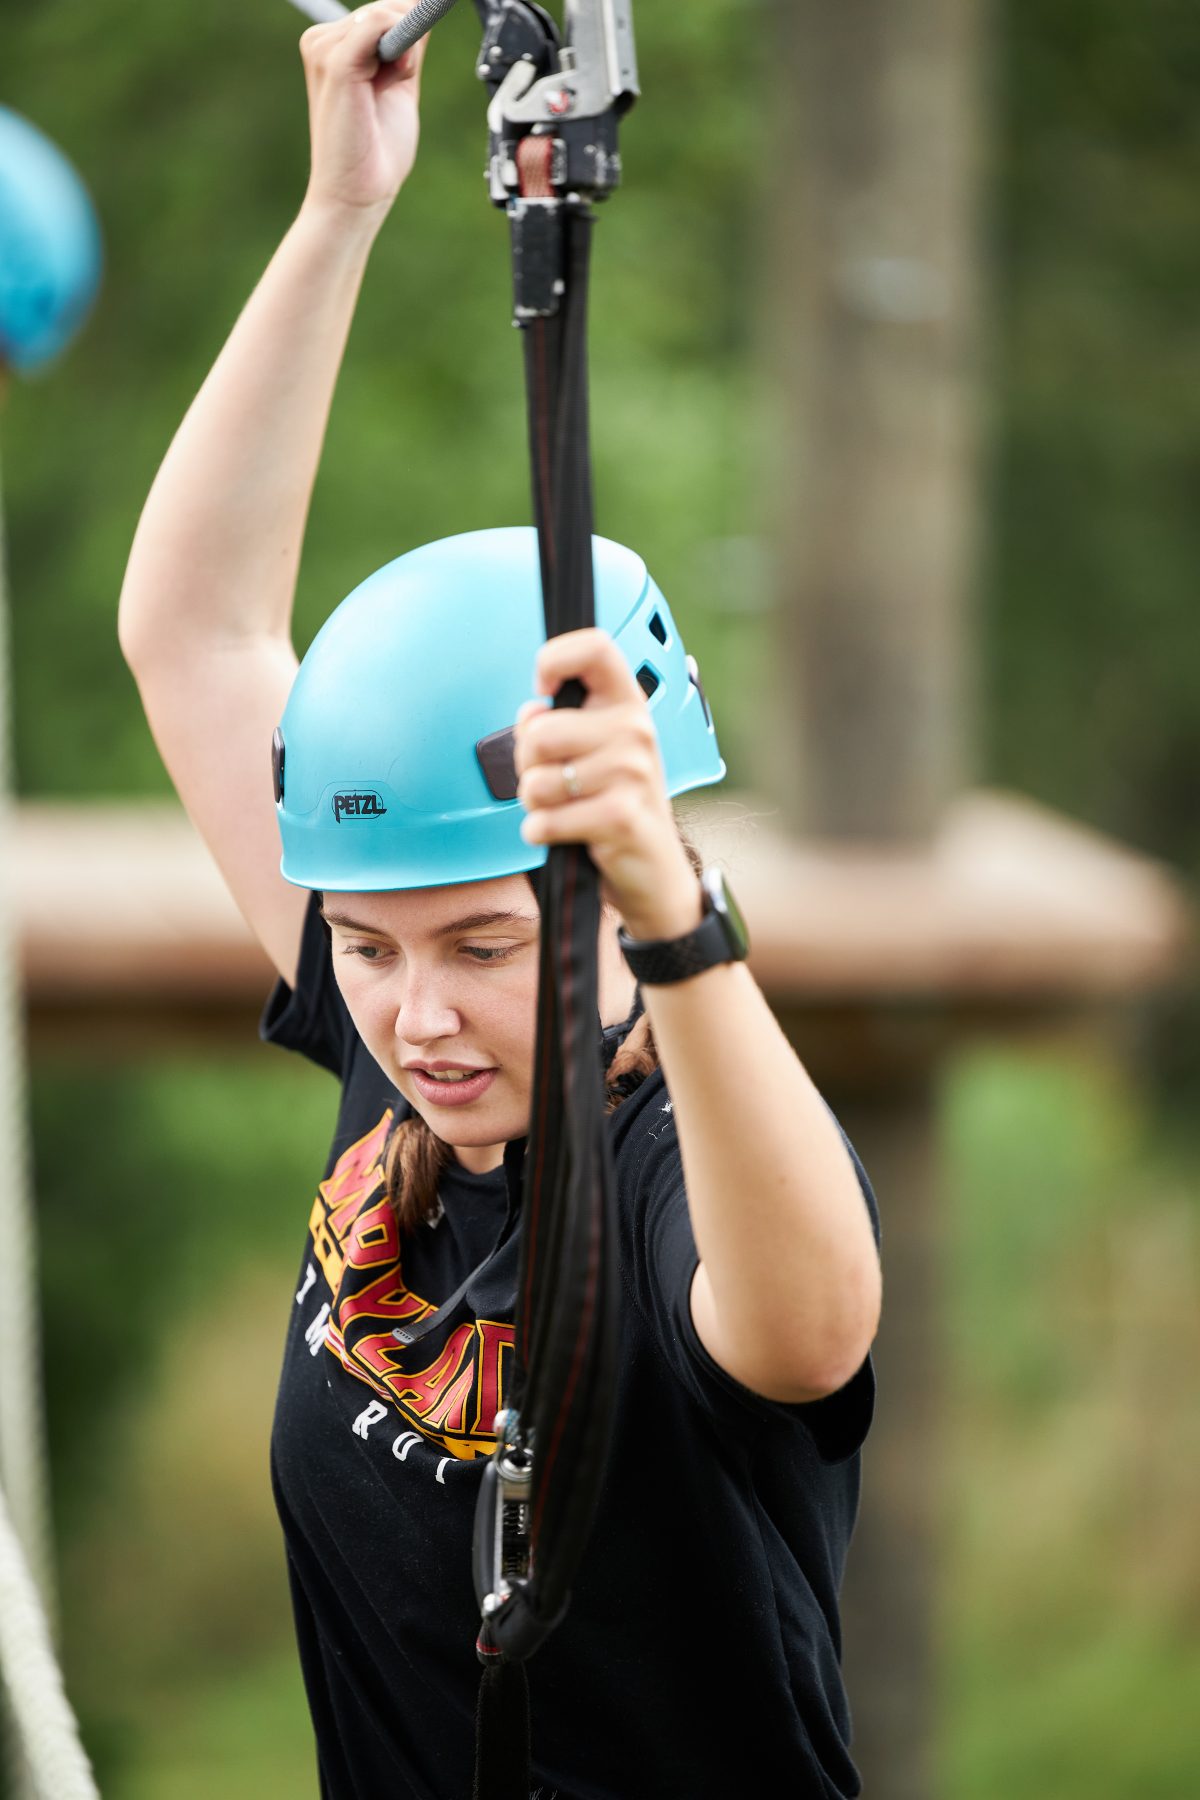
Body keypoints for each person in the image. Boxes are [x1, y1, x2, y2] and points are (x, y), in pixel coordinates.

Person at [117, 7, 883, 1797]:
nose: (413, 1014)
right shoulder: (417, 1081)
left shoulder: (681, 1166)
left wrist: (669, 905)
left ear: (620, 902)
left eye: (485, 943)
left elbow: (810, 1327)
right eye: (369, 952)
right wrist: (338, 217)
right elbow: (198, 636)